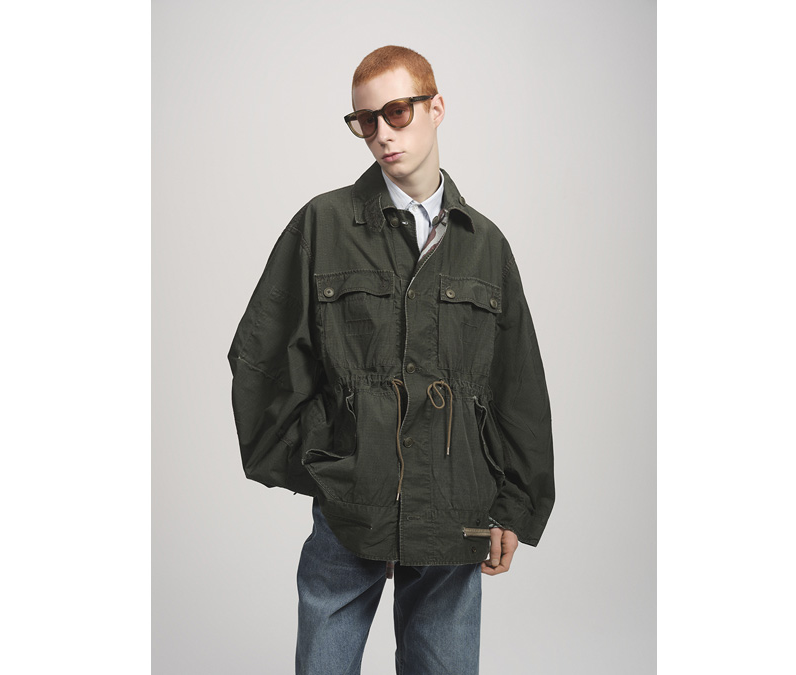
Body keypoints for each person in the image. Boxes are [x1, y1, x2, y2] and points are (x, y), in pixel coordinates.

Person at [229, 45, 554, 674]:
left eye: (397, 112)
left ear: (436, 108)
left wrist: (515, 505)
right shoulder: (324, 224)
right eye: (365, 120)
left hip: (456, 511)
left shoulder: (485, 245)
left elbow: (518, 385)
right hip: (352, 505)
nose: (381, 133)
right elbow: (259, 354)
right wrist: (324, 459)